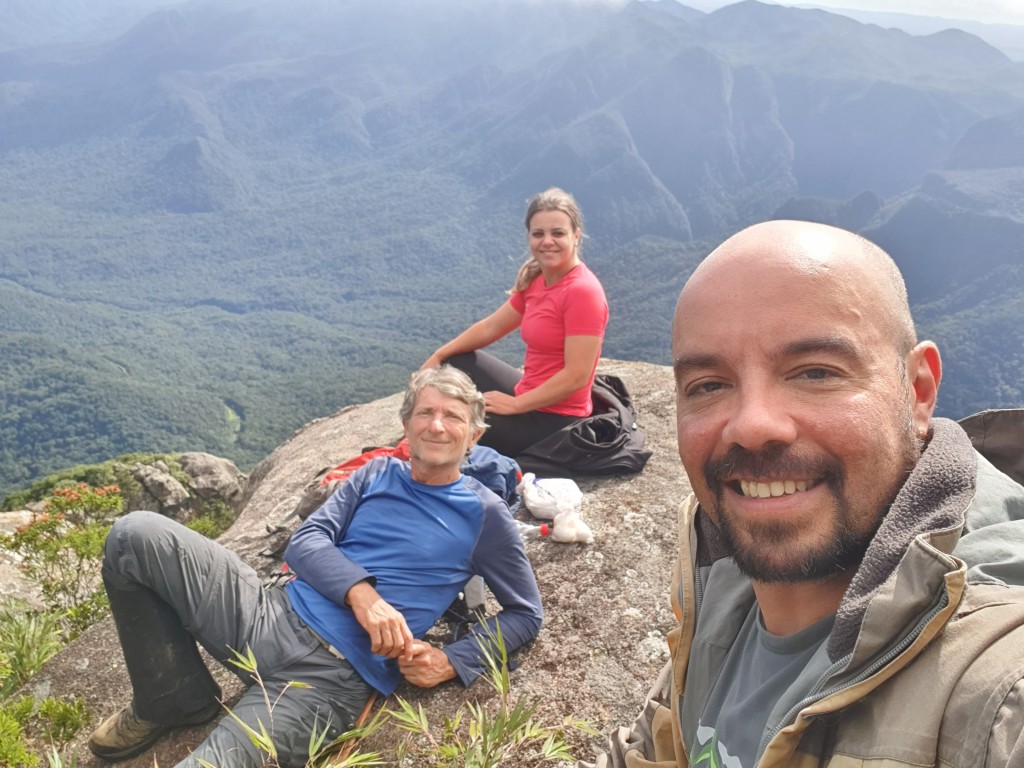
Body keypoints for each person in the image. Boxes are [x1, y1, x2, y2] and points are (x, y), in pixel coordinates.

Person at [585, 220, 1024, 767]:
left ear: (918, 392)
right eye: (709, 385)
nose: (752, 425)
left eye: (815, 372)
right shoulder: (718, 577)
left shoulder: (998, 685)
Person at [88, 366, 543, 767]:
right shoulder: (376, 474)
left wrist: (450, 661)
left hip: (329, 680)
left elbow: (525, 613)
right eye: (426, 412)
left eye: (453, 417)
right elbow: (306, 541)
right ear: (406, 423)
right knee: (134, 535)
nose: (437, 425)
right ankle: (172, 700)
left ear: (474, 435)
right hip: (267, 614)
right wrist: (363, 596)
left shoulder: (484, 514)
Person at [421, 187, 609, 459]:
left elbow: (577, 376)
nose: (547, 241)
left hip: (555, 421)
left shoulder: (583, 291)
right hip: (528, 395)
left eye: (558, 233)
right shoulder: (539, 280)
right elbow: (491, 327)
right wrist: (439, 355)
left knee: (455, 427)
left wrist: (516, 405)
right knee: (455, 361)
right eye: (538, 234)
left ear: (576, 235)